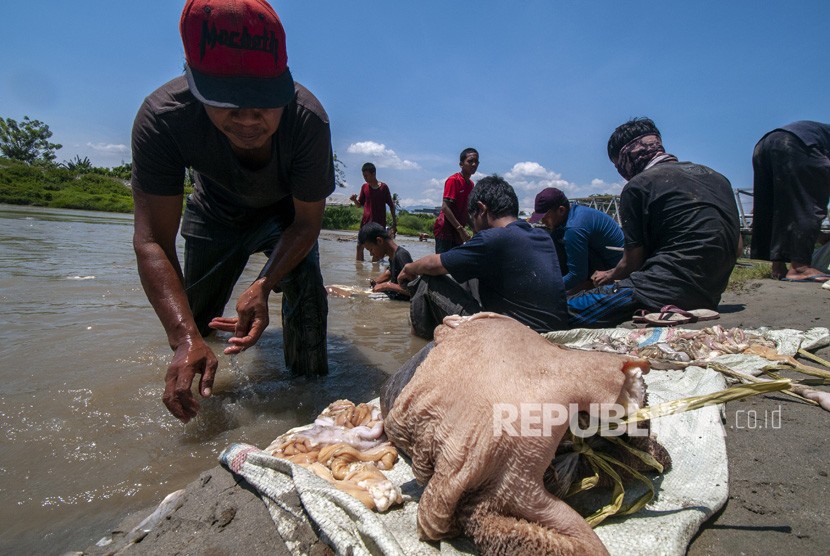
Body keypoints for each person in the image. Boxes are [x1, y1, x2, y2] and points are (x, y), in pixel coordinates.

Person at [131, 0, 334, 423]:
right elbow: (152, 239)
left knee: (308, 301)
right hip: (214, 214)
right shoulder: (163, 119)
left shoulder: (308, 120)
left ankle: (311, 407)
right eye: (225, 101)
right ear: (191, 81)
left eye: (262, 100)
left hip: (285, 219)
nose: (247, 117)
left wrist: (263, 284)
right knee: (195, 323)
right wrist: (184, 337)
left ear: (284, 83)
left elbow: (307, 222)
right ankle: (201, 411)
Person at [568, 117, 740, 328]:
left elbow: (632, 263)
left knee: (563, 310)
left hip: (659, 292)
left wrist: (609, 275)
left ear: (627, 156)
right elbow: (738, 247)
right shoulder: (718, 178)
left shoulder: (639, 186)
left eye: (617, 165)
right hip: (709, 296)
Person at [399, 175, 569, 339]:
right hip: (554, 331)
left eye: (473, 219)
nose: (473, 228)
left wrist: (408, 268)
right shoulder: (542, 236)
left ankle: (419, 343)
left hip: (516, 334)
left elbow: (431, 264)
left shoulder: (492, 237)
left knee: (428, 282)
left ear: (481, 209)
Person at [750, 121, 830, 282]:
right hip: (799, 143)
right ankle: (799, 267)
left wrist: (819, 235)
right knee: (808, 202)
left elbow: (788, 210)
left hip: (765, 144)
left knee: (774, 206)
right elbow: (805, 205)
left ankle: (778, 267)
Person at [528, 187, 624, 294]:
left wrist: (546, 290)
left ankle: (585, 287)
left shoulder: (574, 228)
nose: (542, 221)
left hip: (612, 269)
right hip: (599, 257)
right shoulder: (574, 213)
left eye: (545, 217)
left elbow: (577, 275)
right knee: (554, 237)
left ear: (561, 210)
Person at [432, 148, 479, 253]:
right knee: (442, 265)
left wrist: (475, 228)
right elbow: (445, 207)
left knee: (454, 265)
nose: (474, 164)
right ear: (461, 164)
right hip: (445, 230)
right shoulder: (454, 180)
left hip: (457, 232)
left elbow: (466, 211)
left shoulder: (471, 185)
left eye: (476, 162)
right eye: (470, 161)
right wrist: (461, 229)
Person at [350, 162, 397, 261]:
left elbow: (391, 206)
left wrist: (394, 224)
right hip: (365, 223)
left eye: (366, 175)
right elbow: (359, 205)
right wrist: (354, 200)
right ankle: (359, 272)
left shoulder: (383, 188)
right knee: (359, 247)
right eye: (363, 176)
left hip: (378, 225)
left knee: (376, 251)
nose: (365, 178)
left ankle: (374, 274)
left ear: (373, 174)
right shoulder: (364, 187)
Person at [358, 222, 413, 300]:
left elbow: (415, 290)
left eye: (371, 249)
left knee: (365, 299)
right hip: (396, 295)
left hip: (404, 299)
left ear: (379, 241)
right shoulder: (393, 256)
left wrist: (386, 286)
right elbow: (390, 272)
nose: (371, 254)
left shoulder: (401, 255)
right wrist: (374, 282)